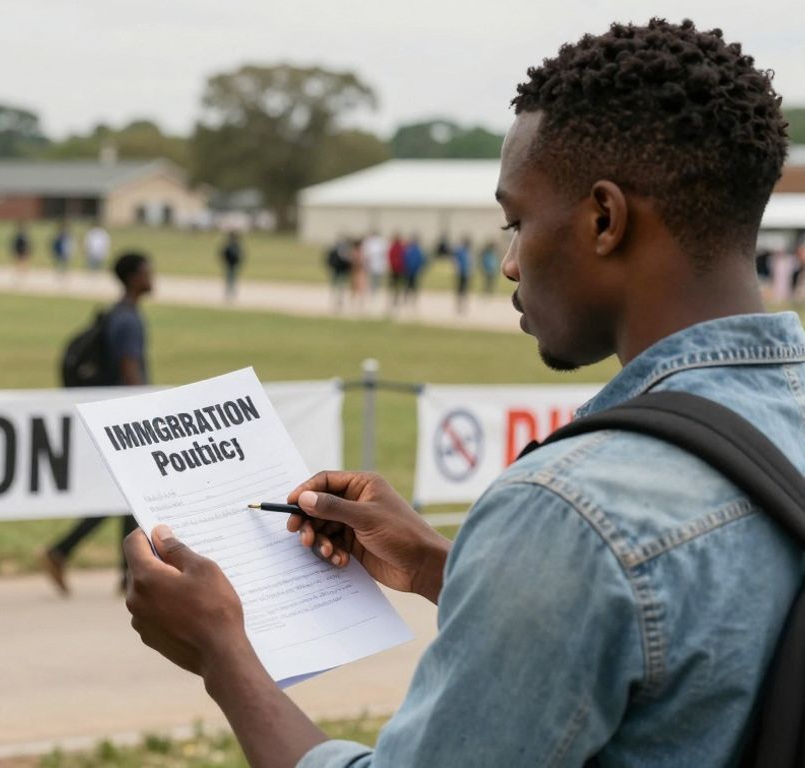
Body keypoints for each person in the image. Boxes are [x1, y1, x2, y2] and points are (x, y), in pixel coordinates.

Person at [119, 19, 803, 767]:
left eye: (517, 221)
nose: (510, 264)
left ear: (605, 219)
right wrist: (437, 566)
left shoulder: (575, 511)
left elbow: (618, 569)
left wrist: (223, 654)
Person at [42, 252, 154, 595]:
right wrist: (144, 412)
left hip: (112, 414)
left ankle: (122, 571)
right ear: (134, 277)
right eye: (148, 272)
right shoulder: (128, 320)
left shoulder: (118, 313)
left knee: (127, 496)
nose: (154, 277)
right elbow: (129, 368)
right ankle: (67, 553)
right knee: (130, 495)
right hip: (123, 418)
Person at [361, 230, 388, 302]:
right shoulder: (369, 242)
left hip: (377, 265)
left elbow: (384, 254)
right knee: (372, 280)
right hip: (372, 265)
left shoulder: (381, 242)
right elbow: (366, 254)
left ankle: (375, 293)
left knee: (376, 280)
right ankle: (372, 293)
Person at [326, 236, 351, 310]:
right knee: (334, 284)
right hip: (336, 270)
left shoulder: (346, 252)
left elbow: (348, 262)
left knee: (341, 285)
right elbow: (329, 259)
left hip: (342, 270)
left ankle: (339, 299)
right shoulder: (334, 250)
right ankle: (333, 298)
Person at [219, 231, 243, 302]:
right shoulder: (230, 246)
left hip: (233, 265)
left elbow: (239, 255)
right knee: (230, 279)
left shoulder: (235, 245)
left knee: (231, 279)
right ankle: (229, 294)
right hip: (229, 264)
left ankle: (231, 293)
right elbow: (223, 254)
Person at [402, 235, 426, 307]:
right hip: (411, 271)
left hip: (411, 271)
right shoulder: (412, 250)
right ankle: (410, 300)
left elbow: (420, 260)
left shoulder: (411, 250)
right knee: (411, 286)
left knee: (410, 286)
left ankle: (411, 300)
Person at [452, 236, 473, 314]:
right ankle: (459, 306)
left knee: (465, 291)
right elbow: (455, 260)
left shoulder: (468, 252)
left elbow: (470, 264)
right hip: (461, 274)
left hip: (466, 274)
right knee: (460, 291)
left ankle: (464, 306)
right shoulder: (460, 251)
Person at [386, 233, 406, 309]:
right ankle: (396, 298)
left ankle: (392, 299)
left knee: (393, 285)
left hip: (394, 269)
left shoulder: (393, 247)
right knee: (398, 285)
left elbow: (389, 257)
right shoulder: (401, 248)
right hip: (400, 269)